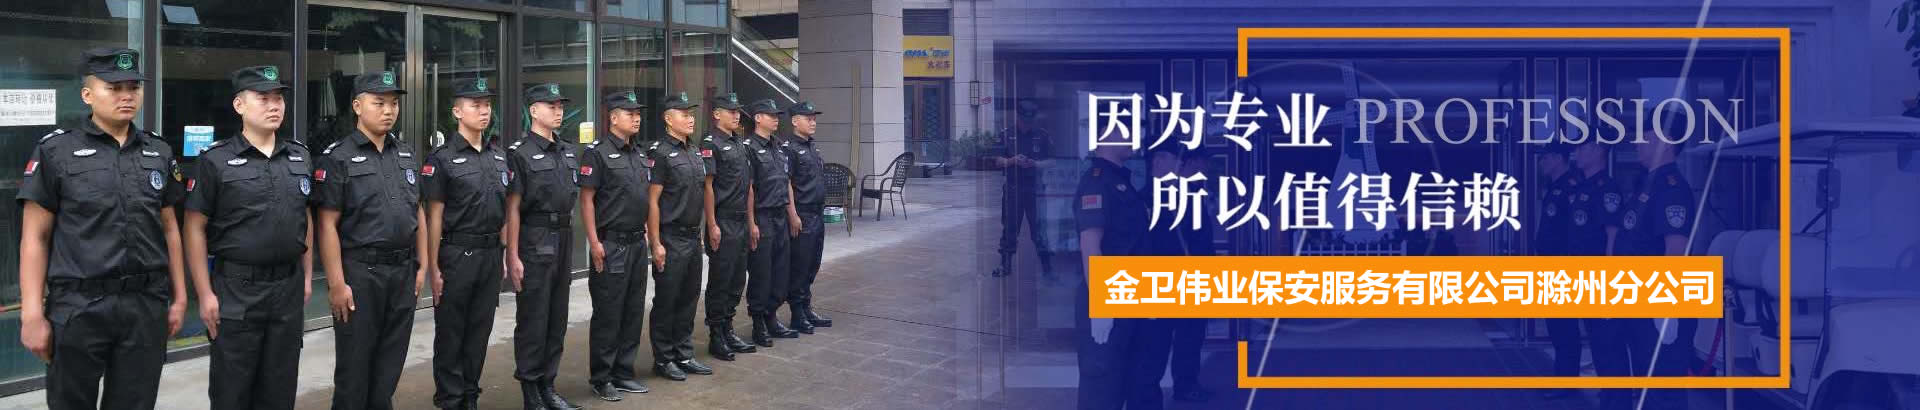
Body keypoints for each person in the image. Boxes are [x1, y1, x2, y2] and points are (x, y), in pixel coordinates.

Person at [18, 47, 188, 410]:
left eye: (133, 87)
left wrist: (180, 298)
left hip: (144, 305)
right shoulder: (56, 151)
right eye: (113, 88)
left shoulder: (158, 151)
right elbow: (35, 237)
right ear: (87, 95)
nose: (126, 96)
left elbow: (170, 230)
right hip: (79, 307)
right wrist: (31, 313)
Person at [183, 65, 311, 410]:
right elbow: (193, 227)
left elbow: (305, 218)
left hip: (287, 290)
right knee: (232, 391)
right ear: (239, 105)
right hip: (237, 291)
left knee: (280, 389)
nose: (274, 105)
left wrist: (306, 277)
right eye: (263, 98)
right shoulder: (216, 160)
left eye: (278, 98)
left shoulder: (299, 155)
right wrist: (204, 293)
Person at [312, 70, 429, 410]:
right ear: (357, 106)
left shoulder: (405, 154)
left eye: (393, 103)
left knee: (390, 363)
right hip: (361, 274)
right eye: (379, 103)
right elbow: (327, 224)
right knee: (355, 367)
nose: (388, 110)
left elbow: (418, 210)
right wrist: (336, 283)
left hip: (402, 272)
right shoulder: (338, 157)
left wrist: (422, 265)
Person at [422, 77, 507, 410]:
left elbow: (502, 211)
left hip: (490, 255)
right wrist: (433, 267)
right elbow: (434, 216)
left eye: (487, 105)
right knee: (451, 332)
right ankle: (450, 398)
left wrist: (502, 254)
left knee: (479, 330)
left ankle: (470, 394)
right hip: (457, 254)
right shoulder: (442, 159)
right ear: (457, 111)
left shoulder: (498, 156)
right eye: (476, 105)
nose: (484, 111)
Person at [504, 83, 583, 410]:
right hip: (535, 239)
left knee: (557, 316)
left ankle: (548, 384)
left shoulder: (567, 151)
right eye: (551, 106)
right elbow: (512, 209)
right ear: (533, 111)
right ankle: (531, 389)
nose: (558, 111)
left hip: (563, 238)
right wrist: (512, 255)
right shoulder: (519, 153)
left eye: (560, 106)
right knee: (534, 318)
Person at [1606, 128, 1697, 410]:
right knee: (1648, 385)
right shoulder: (1648, 184)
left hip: (1657, 300)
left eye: (1647, 137)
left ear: (1667, 143)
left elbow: (1676, 248)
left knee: (1662, 390)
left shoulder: (1671, 188)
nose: (1638, 143)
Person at [1074, 142, 1163, 410]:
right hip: (1110, 292)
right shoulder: (1096, 182)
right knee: (1103, 387)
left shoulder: (1123, 182)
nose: (1134, 138)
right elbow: (1090, 243)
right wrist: (1101, 303)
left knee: (1140, 380)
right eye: (1126, 131)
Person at [580, 91, 656, 402]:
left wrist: (648, 233)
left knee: (633, 310)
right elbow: (586, 200)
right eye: (629, 113)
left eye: (638, 113)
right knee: (609, 312)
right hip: (611, 244)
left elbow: (643, 198)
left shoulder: (639, 153)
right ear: (613, 117)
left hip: (636, 243)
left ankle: (624, 372)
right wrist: (594, 242)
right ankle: (602, 377)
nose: (636, 118)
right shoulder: (597, 153)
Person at [647, 91, 716, 381]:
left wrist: (702, 229)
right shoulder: (660, 153)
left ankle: (683, 353)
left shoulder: (695, 151)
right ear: (668, 118)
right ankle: (663, 358)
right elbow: (652, 201)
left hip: (691, 236)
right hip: (670, 237)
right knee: (667, 300)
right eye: (684, 114)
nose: (690, 119)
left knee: (689, 297)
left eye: (691, 114)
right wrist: (656, 243)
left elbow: (700, 193)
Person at [699, 92, 767, 357]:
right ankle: (716, 335)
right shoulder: (710, 143)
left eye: (738, 111)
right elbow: (708, 187)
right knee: (721, 279)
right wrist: (712, 224)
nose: (737, 116)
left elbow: (749, 187)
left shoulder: (740, 143)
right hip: (723, 220)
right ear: (717, 114)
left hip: (741, 220)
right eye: (731, 111)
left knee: (738, 279)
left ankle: (728, 328)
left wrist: (751, 223)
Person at [742, 99, 807, 337]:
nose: (776, 119)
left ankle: (772, 316)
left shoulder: (779, 147)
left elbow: (786, 182)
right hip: (762, 216)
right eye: (771, 115)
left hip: (781, 215)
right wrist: (751, 223)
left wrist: (792, 214)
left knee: (781, 272)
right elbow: (749, 189)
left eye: (777, 115)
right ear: (758, 118)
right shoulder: (749, 147)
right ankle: (759, 322)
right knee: (762, 272)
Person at [1569, 138, 1626, 408]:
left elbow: (1612, 235)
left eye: (1583, 148)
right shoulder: (1584, 187)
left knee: (1609, 344)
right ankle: (1608, 397)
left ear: (1599, 150)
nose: (1577, 153)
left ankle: (1617, 401)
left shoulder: (1607, 188)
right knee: (1598, 343)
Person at [1531, 143, 1585, 399]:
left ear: (1558, 158)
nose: (1542, 163)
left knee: (1565, 328)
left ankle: (1567, 382)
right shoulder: (1554, 187)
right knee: (1556, 326)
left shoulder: (1571, 187)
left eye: (1546, 158)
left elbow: (1574, 231)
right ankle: (1561, 377)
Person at [991, 99, 1055, 280]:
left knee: (1040, 229)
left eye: (1030, 120)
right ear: (1017, 117)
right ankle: (1005, 265)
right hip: (1013, 188)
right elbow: (997, 161)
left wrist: (1036, 164)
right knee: (1010, 228)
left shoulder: (1042, 135)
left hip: (1035, 188)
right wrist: (1012, 161)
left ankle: (1047, 268)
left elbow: (1053, 161)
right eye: (1024, 120)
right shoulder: (1006, 135)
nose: (1027, 124)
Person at [1169, 146, 1214, 402]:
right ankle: (1184, 385)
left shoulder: (1194, 192)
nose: (1206, 168)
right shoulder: (1179, 193)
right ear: (1192, 162)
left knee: (1194, 333)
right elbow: (1182, 238)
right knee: (1187, 333)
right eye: (1204, 162)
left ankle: (1189, 381)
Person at [783, 101, 832, 330]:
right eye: (808, 118)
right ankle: (797, 313)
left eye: (814, 119)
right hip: (802, 214)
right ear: (795, 121)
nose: (813, 123)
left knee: (813, 263)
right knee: (800, 266)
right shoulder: (789, 148)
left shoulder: (812, 146)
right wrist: (793, 214)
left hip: (817, 214)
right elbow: (787, 183)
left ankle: (806, 307)